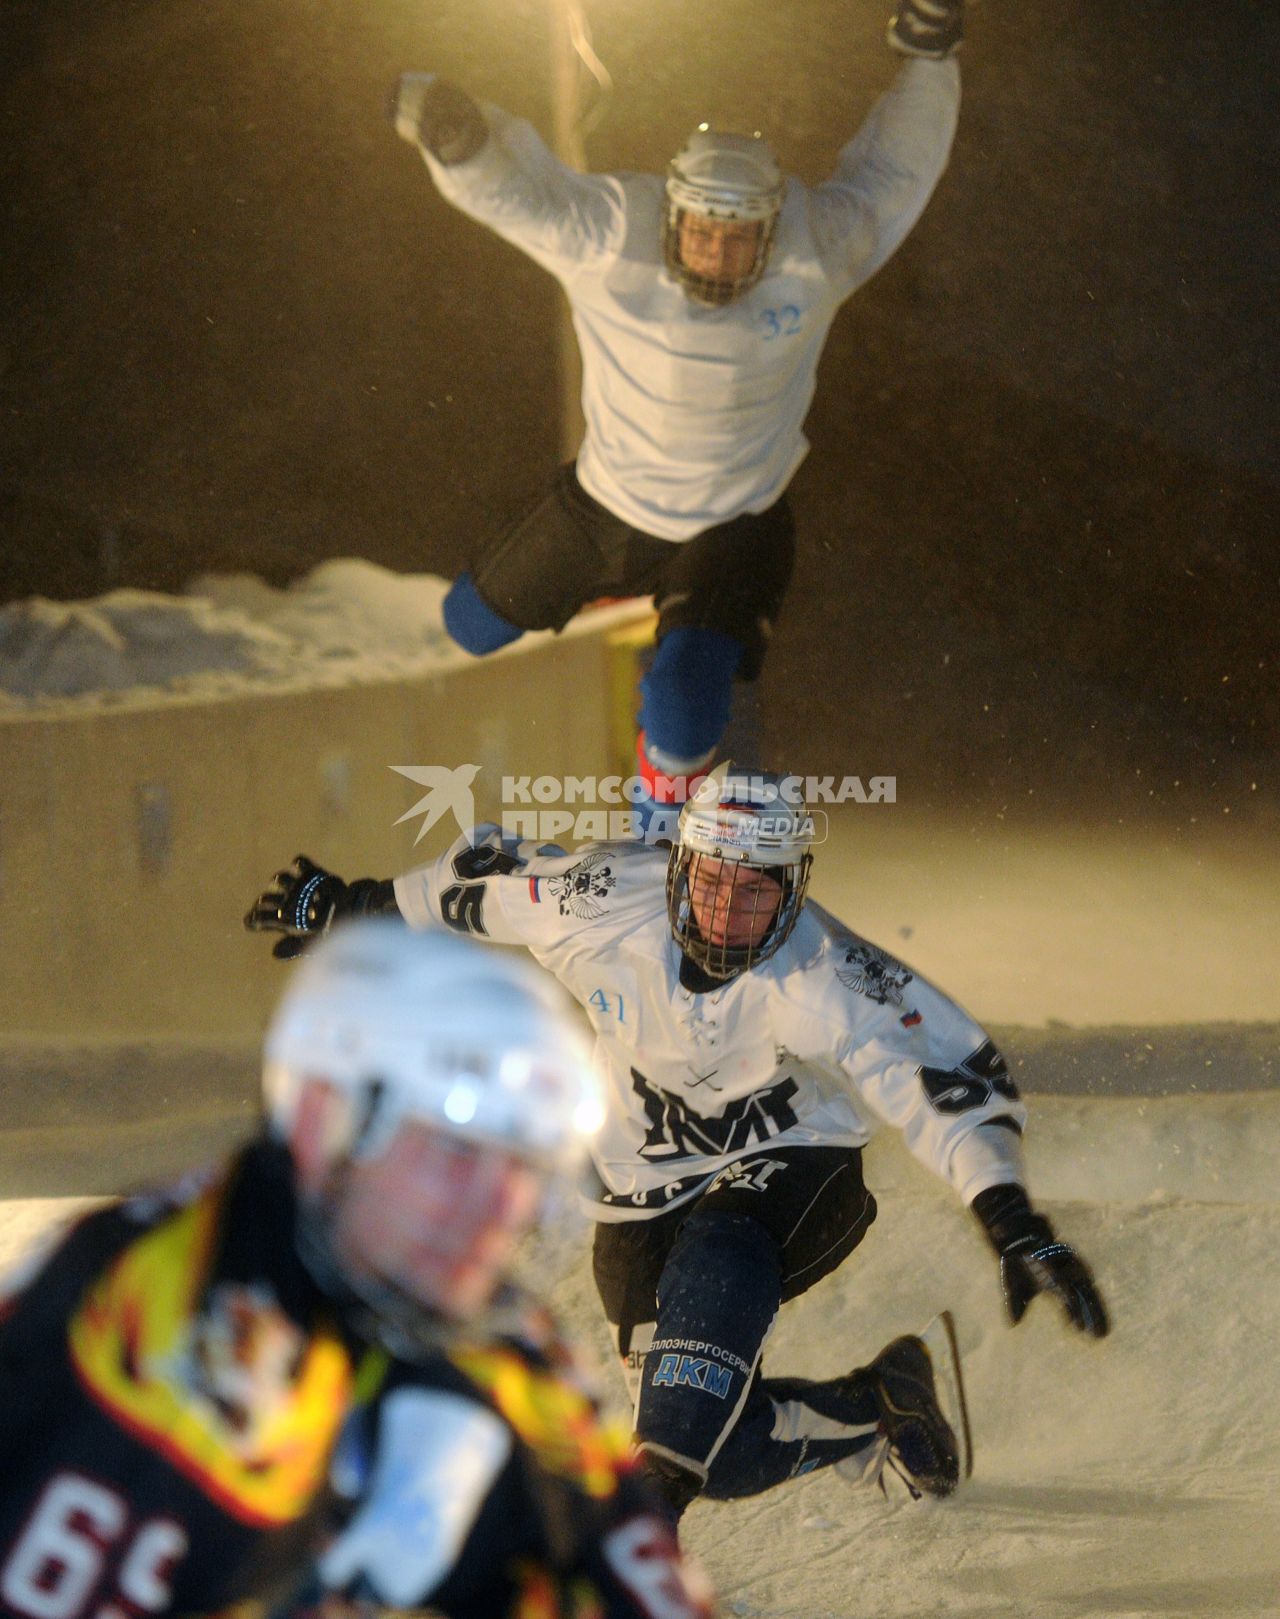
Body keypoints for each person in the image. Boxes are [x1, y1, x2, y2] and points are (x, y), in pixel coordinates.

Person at [245, 769, 1110, 1520]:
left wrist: (1007, 1211)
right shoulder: (600, 899)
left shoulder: (822, 973)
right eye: (712, 882)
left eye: (757, 892)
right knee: (711, 1453)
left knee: (695, 1353)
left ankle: (651, 1524)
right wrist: (353, 903)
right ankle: (877, 1401)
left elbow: (935, 1077)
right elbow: (479, 883)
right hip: (636, 1184)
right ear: (678, 868)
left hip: (796, 1166)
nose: (728, 913)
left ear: (794, 890)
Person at [0, 923, 713, 1617]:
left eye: (524, 1165)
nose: (502, 1207)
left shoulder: (494, 1335)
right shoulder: (145, 1330)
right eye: (456, 1151)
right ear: (321, 1119)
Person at [388, 0, 968, 810]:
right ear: (671, 217)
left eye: (740, 240)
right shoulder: (612, 234)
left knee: (684, 708)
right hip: (607, 504)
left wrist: (929, 59)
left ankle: (656, 833)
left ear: (772, 234)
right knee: (466, 626)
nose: (719, 255)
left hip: (735, 521)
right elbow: (524, 196)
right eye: (701, 233)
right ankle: (618, 611)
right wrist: (461, 138)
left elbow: (895, 172)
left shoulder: (817, 250)